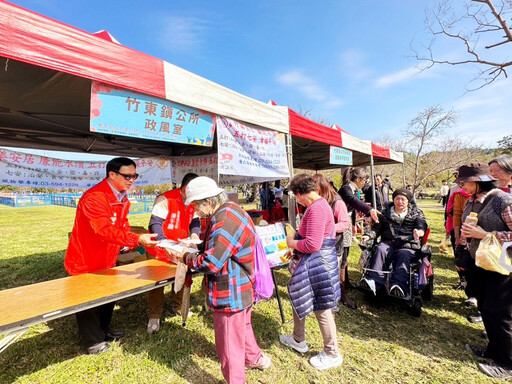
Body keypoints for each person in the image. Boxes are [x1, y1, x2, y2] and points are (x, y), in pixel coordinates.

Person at [168, 176, 271, 383]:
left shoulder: (224, 220)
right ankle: (255, 358)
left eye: (197, 206)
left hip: (230, 291)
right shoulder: (230, 209)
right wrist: (195, 247)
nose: (196, 211)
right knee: (243, 327)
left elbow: (211, 263)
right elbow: (219, 246)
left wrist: (184, 257)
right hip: (241, 286)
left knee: (229, 344)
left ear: (209, 201)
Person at [65, 157, 159, 354]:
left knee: (107, 296)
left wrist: (126, 244)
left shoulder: (121, 195)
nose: (132, 180)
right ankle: (93, 342)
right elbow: (104, 230)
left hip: (107, 257)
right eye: (127, 176)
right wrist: (137, 239)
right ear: (112, 174)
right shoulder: (95, 197)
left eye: (135, 176)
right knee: (88, 301)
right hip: (86, 259)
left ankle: (104, 331)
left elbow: (122, 224)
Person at [281, 174, 342, 370]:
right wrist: (297, 250)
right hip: (313, 260)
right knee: (300, 296)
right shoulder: (318, 205)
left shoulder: (316, 209)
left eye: (295, 196)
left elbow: (313, 244)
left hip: (319, 264)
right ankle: (298, 339)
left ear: (299, 194)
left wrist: (291, 242)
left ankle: (332, 353)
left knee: (321, 308)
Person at [456, 163, 512, 380]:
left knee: (502, 314)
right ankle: (493, 349)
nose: (461, 185)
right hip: (480, 263)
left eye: (465, 181)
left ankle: (507, 364)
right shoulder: (472, 200)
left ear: (479, 181)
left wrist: (486, 234)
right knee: (487, 308)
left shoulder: (503, 201)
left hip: (501, 265)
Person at [145, 173, 200, 334]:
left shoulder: (194, 201)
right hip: (160, 249)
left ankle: (178, 307)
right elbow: (155, 224)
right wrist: (164, 243)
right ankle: (154, 315)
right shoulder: (165, 199)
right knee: (157, 283)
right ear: (184, 189)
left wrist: (195, 234)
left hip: (180, 247)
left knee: (182, 276)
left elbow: (195, 221)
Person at [359, 188, 427, 297]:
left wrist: (419, 232)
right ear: (393, 200)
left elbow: (421, 225)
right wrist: (368, 236)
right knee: (380, 249)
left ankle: (398, 286)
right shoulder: (385, 213)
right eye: (397, 199)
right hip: (388, 243)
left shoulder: (416, 213)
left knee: (403, 255)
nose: (400, 201)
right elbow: (376, 229)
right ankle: (374, 282)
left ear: (408, 201)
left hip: (407, 245)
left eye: (403, 199)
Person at [313, 174, 355, 309]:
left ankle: (335, 300)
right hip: (320, 244)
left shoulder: (337, 202)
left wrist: (328, 229)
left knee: (334, 272)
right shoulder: (317, 201)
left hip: (334, 244)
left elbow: (345, 223)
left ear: (321, 187)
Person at [338, 167, 380, 287]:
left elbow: (353, 207)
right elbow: (354, 202)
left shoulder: (352, 189)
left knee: (346, 253)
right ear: (357, 179)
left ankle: (345, 281)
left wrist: (352, 224)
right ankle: (342, 285)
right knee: (343, 254)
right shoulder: (346, 189)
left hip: (346, 224)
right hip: (340, 225)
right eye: (364, 180)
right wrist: (370, 210)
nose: (365, 183)